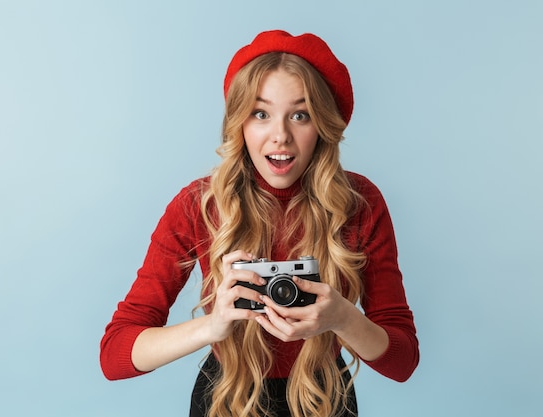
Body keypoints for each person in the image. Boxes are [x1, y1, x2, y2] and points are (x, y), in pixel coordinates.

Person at [100, 30, 419, 417]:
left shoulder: (359, 203)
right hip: (225, 399)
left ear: (322, 125)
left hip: (325, 400)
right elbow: (115, 355)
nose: (280, 136)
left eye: (300, 115)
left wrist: (341, 318)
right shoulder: (198, 205)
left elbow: (402, 362)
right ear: (240, 123)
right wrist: (213, 326)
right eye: (261, 113)